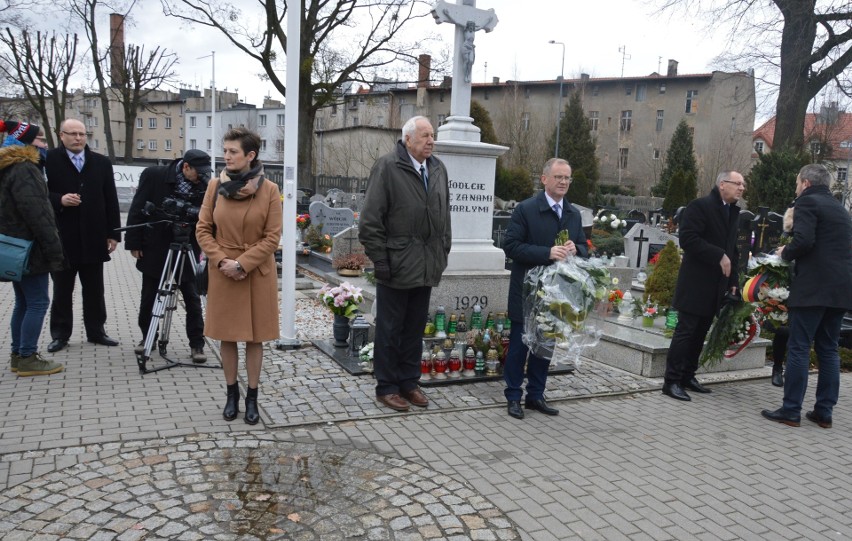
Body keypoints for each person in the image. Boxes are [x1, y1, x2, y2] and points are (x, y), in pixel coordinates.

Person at [359, 116, 452, 412]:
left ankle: (409, 382)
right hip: (396, 263)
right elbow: (371, 220)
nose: (431, 140)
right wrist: (380, 260)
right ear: (408, 140)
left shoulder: (437, 169)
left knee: (414, 328)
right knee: (390, 329)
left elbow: (445, 217)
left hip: (426, 264)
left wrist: (443, 252)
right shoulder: (388, 167)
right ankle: (387, 386)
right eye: (424, 135)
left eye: (432, 135)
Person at [196, 128, 282, 425]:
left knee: (255, 339)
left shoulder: (270, 190)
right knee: (228, 336)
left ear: (250, 156)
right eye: (226, 150)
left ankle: (252, 397)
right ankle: (231, 394)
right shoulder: (213, 186)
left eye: (233, 151)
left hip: (256, 272)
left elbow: (272, 238)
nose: (226, 156)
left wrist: (242, 263)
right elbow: (203, 229)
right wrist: (222, 261)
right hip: (223, 272)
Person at [761, 164, 852, 428]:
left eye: (797, 182)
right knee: (828, 348)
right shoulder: (840, 209)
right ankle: (824, 412)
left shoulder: (807, 203)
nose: (796, 187)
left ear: (807, 184)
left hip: (813, 288)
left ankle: (791, 410)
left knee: (799, 346)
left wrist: (783, 253)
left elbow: (804, 241)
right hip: (840, 290)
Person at [502, 158, 588, 420]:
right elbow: (511, 246)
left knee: (544, 348)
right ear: (544, 179)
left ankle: (536, 395)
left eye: (567, 178)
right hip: (527, 293)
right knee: (520, 347)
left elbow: (584, 247)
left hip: (556, 295)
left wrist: (577, 250)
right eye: (559, 177)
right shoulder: (526, 210)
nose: (563, 182)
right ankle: (514, 396)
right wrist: (547, 252)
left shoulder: (573, 213)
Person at [662, 171, 744, 401]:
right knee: (685, 332)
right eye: (737, 183)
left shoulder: (731, 211)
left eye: (743, 185)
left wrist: (734, 282)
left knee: (700, 333)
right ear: (722, 184)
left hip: (717, 284)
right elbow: (688, 239)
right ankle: (671, 381)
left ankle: (688, 375)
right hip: (695, 282)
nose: (741, 188)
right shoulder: (699, 206)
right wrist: (718, 255)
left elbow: (733, 251)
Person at [125, 149, 213, 363]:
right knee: (149, 296)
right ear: (185, 167)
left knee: (192, 297)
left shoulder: (205, 184)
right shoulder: (154, 175)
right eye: (198, 172)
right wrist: (134, 242)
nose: (201, 177)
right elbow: (137, 208)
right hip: (156, 245)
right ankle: (148, 338)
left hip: (188, 245)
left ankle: (197, 344)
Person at [45, 118, 121, 353]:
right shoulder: (49, 160)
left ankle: (96, 331)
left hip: (94, 237)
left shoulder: (100, 162)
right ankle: (60, 334)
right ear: (61, 135)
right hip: (62, 238)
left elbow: (111, 198)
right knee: (62, 290)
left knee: (95, 289)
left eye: (82, 134)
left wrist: (113, 234)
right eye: (73, 133)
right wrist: (59, 199)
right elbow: (39, 194)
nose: (78, 138)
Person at [0, 120, 65, 376]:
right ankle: (27, 356)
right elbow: (38, 214)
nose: (45, 144)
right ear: (26, 143)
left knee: (23, 302)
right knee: (38, 302)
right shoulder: (26, 169)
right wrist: (54, 249)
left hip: (15, 248)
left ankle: (18, 354)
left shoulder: (8, 167)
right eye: (40, 139)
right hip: (30, 248)